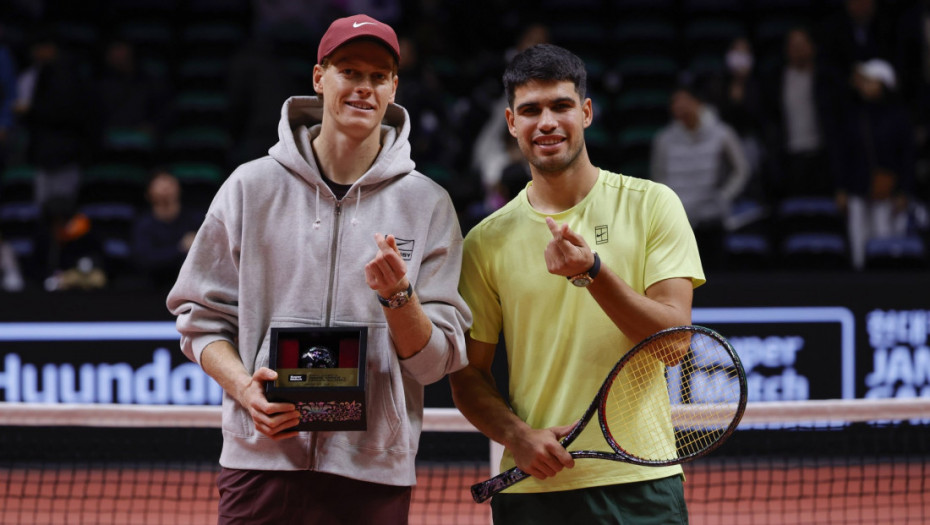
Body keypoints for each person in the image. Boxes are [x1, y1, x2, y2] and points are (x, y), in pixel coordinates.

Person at [166, 14, 470, 524]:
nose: (364, 88)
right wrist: (244, 389)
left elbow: (435, 364)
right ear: (318, 77)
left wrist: (399, 298)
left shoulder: (429, 203)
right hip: (262, 461)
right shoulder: (250, 187)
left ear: (395, 86)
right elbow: (199, 318)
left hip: (372, 470)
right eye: (350, 71)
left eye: (378, 76)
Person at [449, 43, 703, 524]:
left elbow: (674, 343)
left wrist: (593, 275)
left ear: (585, 112)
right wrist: (518, 437)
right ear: (510, 123)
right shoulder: (484, 241)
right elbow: (467, 376)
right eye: (530, 110)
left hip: (641, 483)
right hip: (533, 488)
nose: (546, 122)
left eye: (560, 106)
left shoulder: (652, 205)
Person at [650, 83, 750, 270]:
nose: (678, 106)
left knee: (715, 274)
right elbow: (658, 177)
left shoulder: (722, 133)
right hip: (679, 222)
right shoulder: (664, 139)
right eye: (674, 102)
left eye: (683, 100)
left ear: (698, 102)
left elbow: (741, 169)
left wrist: (724, 196)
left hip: (711, 219)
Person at [131, 169, 203, 291]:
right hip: (153, 288)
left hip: (192, 289)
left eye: (169, 183)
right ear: (148, 193)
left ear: (179, 188)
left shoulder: (196, 220)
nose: (165, 188)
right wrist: (180, 248)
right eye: (159, 184)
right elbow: (145, 260)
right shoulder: (143, 224)